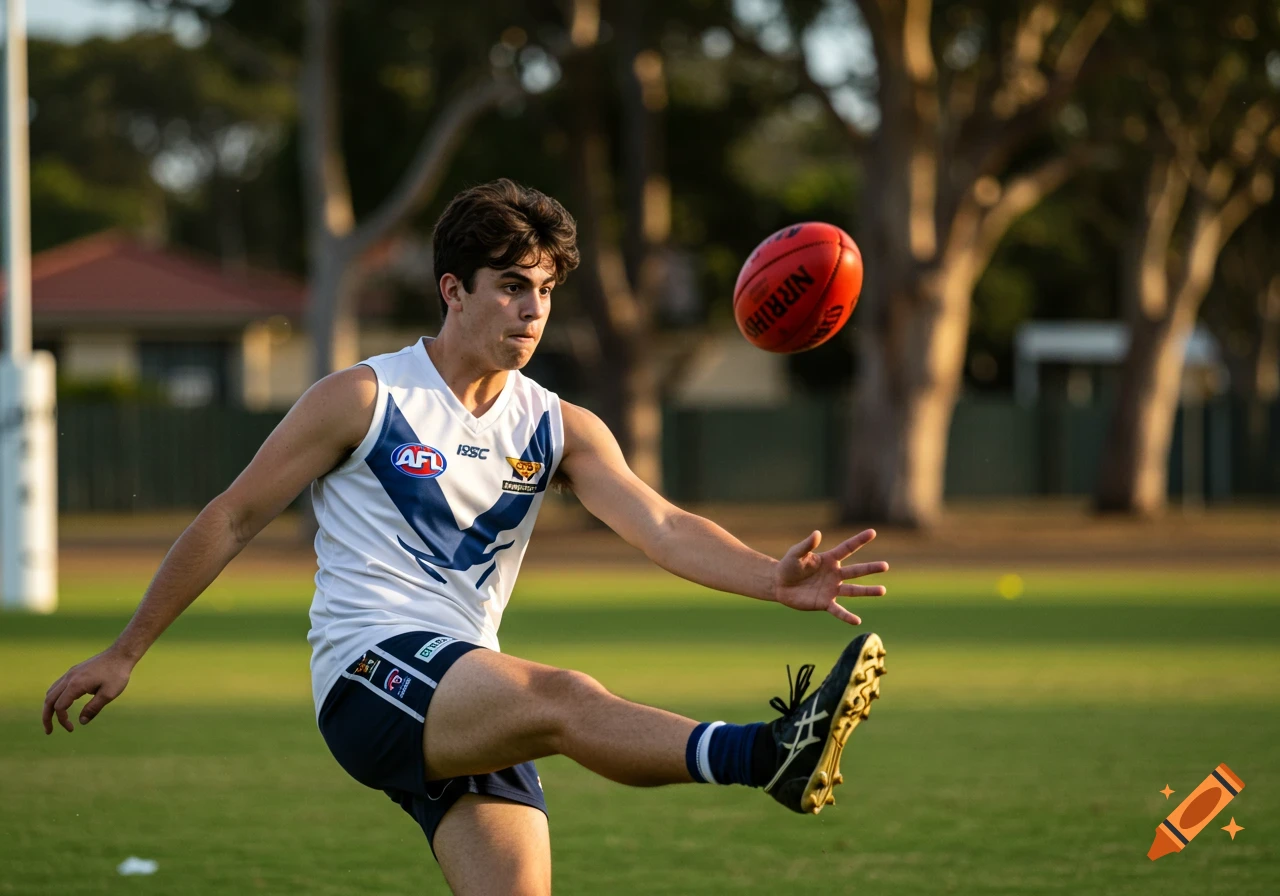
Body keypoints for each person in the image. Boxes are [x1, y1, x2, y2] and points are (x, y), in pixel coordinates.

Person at [41, 179, 889, 895]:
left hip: (467, 690)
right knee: (563, 697)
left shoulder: (560, 426)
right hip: (371, 674)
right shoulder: (363, 398)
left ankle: (765, 755)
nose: (533, 310)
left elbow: (660, 524)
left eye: (547, 291)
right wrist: (126, 650)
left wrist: (768, 579)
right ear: (454, 291)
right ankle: (767, 754)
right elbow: (230, 515)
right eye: (513, 286)